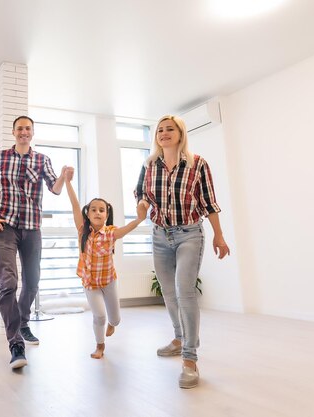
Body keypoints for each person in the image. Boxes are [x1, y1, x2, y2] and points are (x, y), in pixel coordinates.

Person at [135, 115, 230, 388]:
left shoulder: (197, 164)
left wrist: (219, 237)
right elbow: (141, 194)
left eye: (170, 129)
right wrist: (141, 204)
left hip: (189, 234)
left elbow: (209, 203)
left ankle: (190, 358)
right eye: (160, 130)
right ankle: (179, 338)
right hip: (159, 236)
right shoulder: (149, 165)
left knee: (184, 291)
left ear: (180, 133)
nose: (164, 133)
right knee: (167, 291)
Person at [0, 115, 69, 369]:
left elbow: (55, 188)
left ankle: (23, 320)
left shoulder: (42, 160)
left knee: (32, 282)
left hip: (32, 229)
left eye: (28, 128)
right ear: (13, 132)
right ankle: (16, 343)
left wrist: (63, 175)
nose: (23, 132)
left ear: (32, 132)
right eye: (20, 128)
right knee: (8, 283)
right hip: (5, 227)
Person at [65, 168, 147, 359]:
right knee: (99, 316)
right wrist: (68, 182)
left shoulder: (111, 233)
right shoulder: (81, 230)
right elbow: (75, 206)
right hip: (90, 283)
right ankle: (100, 346)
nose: (97, 212)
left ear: (106, 213)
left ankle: (113, 323)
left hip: (109, 281)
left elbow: (127, 228)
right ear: (88, 213)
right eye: (93, 209)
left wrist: (140, 219)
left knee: (115, 319)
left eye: (101, 210)